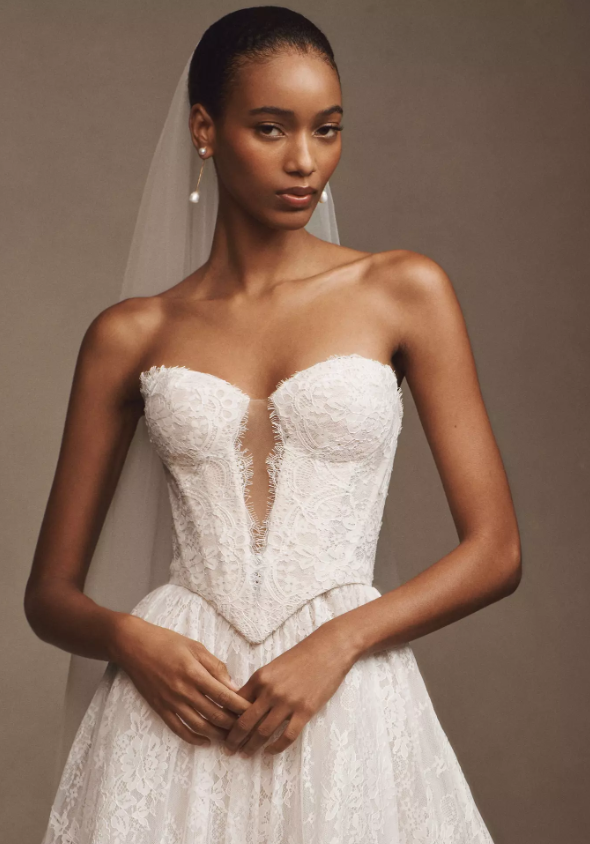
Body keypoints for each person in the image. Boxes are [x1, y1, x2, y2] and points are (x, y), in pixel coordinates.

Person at [25, 6, 521, 842]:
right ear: (205, 130)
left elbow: (496, 551)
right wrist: (133, 641)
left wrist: (340, 642)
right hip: (179, 708)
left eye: (327, 130)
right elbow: (48, 596)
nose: (305, 162)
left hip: (346, 697)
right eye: (271, 129)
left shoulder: (403, 291)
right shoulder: (130, 334)